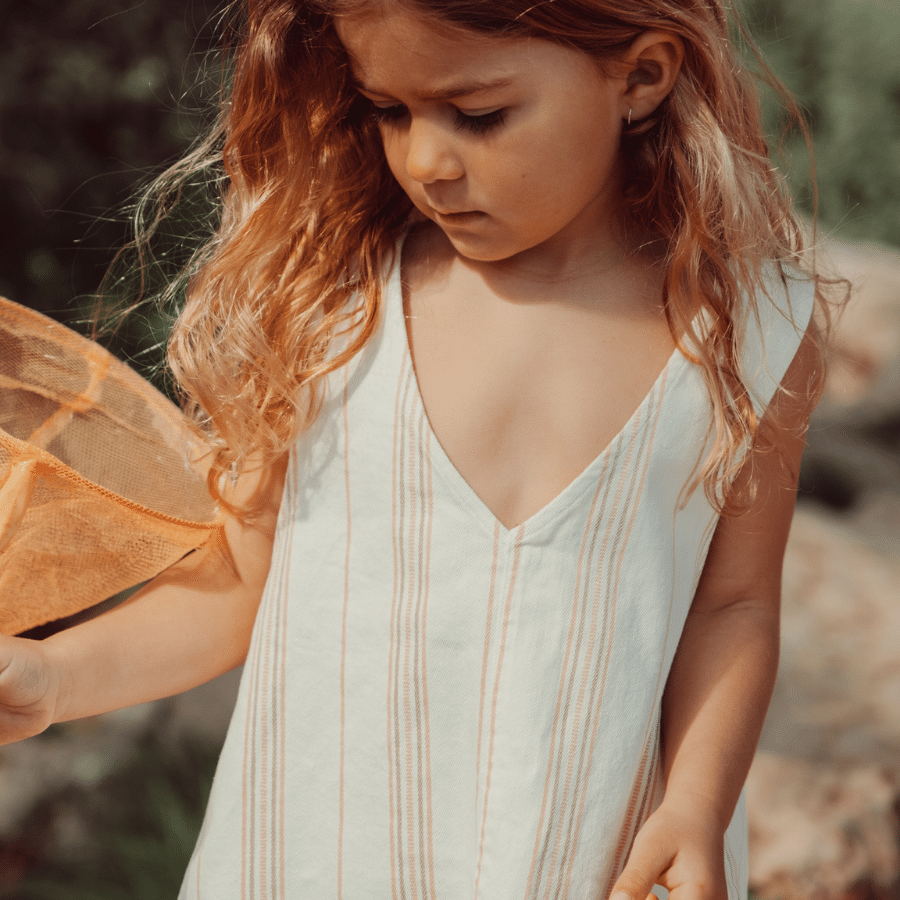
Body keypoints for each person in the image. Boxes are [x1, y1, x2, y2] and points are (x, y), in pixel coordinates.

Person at [0, 0, 839, 897]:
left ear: (640, 77)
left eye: (478, 115)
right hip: (312, 861)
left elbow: (733, 611)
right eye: (390, 111)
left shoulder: (755, 335)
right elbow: (238, 583)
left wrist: (698, 806)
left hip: (590, 866)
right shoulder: (331, 304)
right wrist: (50, 679)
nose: (426, 162)